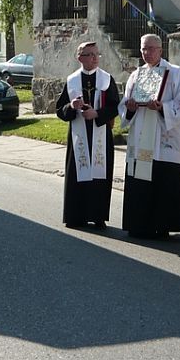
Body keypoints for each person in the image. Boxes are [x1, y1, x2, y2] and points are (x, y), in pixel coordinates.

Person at [119, 34, 180, 238]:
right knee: (141, 180)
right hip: (141, 135)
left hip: (164, 138)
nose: (147, 53)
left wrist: (162, 108)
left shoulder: (175, 73)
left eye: (151, 48)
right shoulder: (136, 75)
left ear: (161, 50)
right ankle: (139, 223)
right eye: (143, 49)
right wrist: (130, 108)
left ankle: (163, 225)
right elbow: (125, 103)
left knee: (164, 180)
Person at [56, 42, 120, 229]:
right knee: (78, 174)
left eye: (96, 54)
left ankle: (98, 216)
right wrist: (71, 107)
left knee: (99, 176)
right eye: (89, 54)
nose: (94, 57)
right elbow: (60, 110)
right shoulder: (72, 80)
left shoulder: (107, 80)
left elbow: (116, 106)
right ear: (80, 58)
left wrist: (97, 114)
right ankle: (76, 216)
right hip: (78, 137)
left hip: (100, 133)